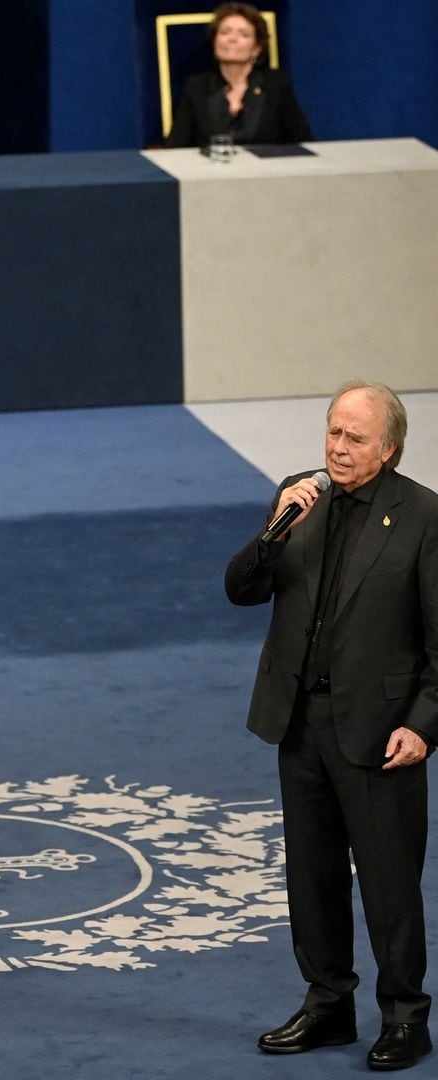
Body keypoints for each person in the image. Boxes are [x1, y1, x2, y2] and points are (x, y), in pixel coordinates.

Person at [225, 382, 437, 1071]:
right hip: (301, 723)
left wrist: (425, 727)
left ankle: (406, 1017)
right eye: (333, 433)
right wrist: (271, 531)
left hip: (379, 734)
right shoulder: (299, 498)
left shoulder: (424, 517)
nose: (338, 449)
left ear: (389, 448)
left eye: (354, 438)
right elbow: (242, 588)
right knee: (311, 876)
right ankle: (328, 1005)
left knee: (388, 883)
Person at [164, 2, 311, 149]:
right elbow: (175, 147)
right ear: (214, 41)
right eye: (225, 32)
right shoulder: (196, 86)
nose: (232, 39)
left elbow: (303, 142)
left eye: (244, 34)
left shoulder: (275, 84)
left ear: (257, 48)